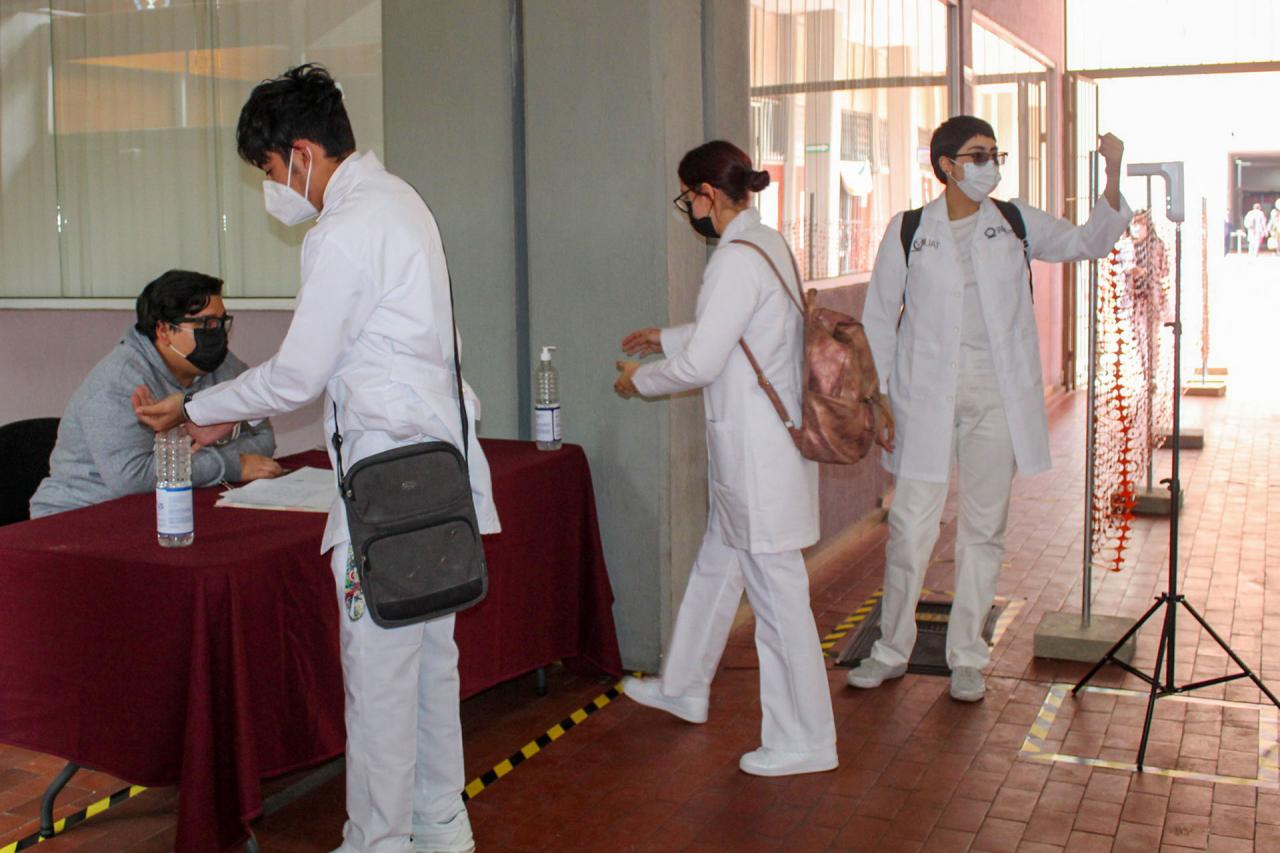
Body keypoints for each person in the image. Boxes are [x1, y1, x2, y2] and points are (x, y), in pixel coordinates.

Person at [132, 65, 499, 853]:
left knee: (381, 676)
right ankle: (439, 822)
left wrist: (196, 409)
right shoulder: (400, 199)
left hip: (389, 482)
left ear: (301, 153)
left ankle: (377, 840)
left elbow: (299, 374)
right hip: (438, 466)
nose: (272, 189)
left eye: (269, 170)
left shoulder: (344, 229)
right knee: (429, 662)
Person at [847, 116, 1132, 703]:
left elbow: (1087, 242)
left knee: (984, 530)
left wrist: (1112, 173)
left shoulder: (1014, 221)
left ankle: (967, 658)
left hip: (995, 399)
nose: (990, 166)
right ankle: (891, 650)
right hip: (922, 399)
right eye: (977, 156)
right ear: (946, 165)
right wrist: (879, 397)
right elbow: (878, 317)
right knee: (910, 529)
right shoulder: (908, 231)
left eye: (994, 155)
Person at [613, 140, 837, 778]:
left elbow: (704, 361)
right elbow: (739, 334)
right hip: (757, 451)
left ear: (708, 195)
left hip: (757, 459)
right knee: (718, 568)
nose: (689, 209)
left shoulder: (735, 260)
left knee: (778, 599)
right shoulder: (766, 244)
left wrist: (640, 378)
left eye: (689, 197)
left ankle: (805, 739)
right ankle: (684, 686)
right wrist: (665, 337)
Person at [29, 270, 279, 518]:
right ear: (164, 331)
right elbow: (132, 477)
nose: (218, 334)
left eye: (222, 322)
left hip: (165, 507)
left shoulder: (222, 366)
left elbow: (264, 437)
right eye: (206, 325)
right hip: (81, 514)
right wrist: (233, 465)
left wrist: (194, 461)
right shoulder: (119, 382)